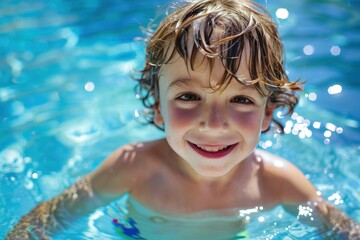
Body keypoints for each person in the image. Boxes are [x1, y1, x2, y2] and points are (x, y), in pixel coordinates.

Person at [6, 0, 360, 239]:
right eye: (189, 97)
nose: (213, 123)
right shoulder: (133, 168)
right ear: (158, 105)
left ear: (268, 112)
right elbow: (46, 220)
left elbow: (343, 231)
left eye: (240, 99)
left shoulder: (279, 182)